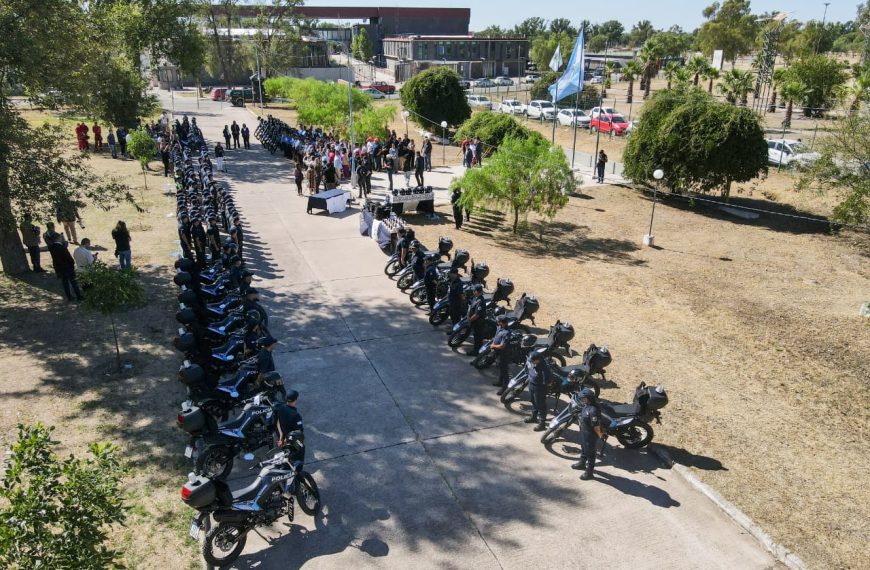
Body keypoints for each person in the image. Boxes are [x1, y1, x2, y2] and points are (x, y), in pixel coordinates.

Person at [571, 388, 604, 480]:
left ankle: (589, 472)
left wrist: (600, 434)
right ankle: (582, 463)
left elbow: (596, 426)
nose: (582, 400)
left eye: (584, 398)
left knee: (591, 453)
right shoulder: (587, 405)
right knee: (583, 448)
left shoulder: (593, 410)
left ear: (589, 398)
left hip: (590, 435)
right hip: (584, 431)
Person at [46, 234, 84, 302]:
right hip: (67, 267)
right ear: (58, 238)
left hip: (59, 267)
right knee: (73, 282)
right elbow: (68, 257)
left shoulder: (52, 247)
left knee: (65, 283)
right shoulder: (61, 247)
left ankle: (69, 296)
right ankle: (79, 296)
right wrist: (72, 263)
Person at [272, 390, 304, 459]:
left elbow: (276, 422)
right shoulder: (296, 415)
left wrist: (281, 437)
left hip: (282, 437)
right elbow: (299, 432)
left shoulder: (279, 408)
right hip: (289, 441)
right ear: (295, 400)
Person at [525, 350, 551, 431]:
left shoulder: (544, 368)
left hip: (539, 388)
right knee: (532, 401)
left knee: (540, 405)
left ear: (538, 360)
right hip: (531, 384)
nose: (531, 362)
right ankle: (534, 416)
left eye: (533, 361)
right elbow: (528, 369)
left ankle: (542, 423)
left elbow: (548, 381)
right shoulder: (532, 362)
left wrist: (543, 386)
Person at [491, 315, 512, 394]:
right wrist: (493, 345)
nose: (497, 322)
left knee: (504, 371)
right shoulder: (500, 328)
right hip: (498, 352)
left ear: (502, 323)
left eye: (498, 321)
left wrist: (493, 346)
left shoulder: (506, 333)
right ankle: (500, 382)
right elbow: (496, 337)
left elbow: (502, 346)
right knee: (500, 367)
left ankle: (504, 388)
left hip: (503, 354)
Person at [466, 284, 487, 356]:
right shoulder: (476, 298)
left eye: (474, 290)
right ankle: (476, 350)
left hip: (478, 324)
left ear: (478, 291)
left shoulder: (481, 301)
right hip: (475, 323)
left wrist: (469, 320)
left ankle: (476, 352)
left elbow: (477, 315)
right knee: (476, 337)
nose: (473, 291)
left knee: (478, 338)